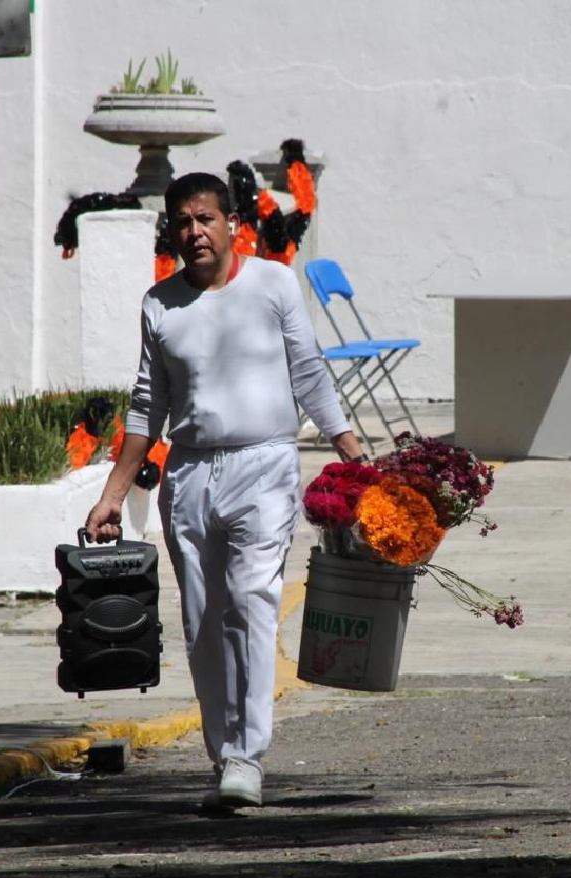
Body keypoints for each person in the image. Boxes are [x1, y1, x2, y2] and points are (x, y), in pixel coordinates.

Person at [84, 171, 367, 809]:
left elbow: (308, 370)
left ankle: (247, 757)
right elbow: (145, 406)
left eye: (205, 219)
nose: (195, 232)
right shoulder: (160, 304)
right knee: (204, 621)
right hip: (187, 474)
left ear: (231, 223)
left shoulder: (272, 283)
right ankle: (224, 756)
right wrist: (112, 493)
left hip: (264, 466)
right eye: (183, 222)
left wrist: (348, 443)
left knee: (252, 602)